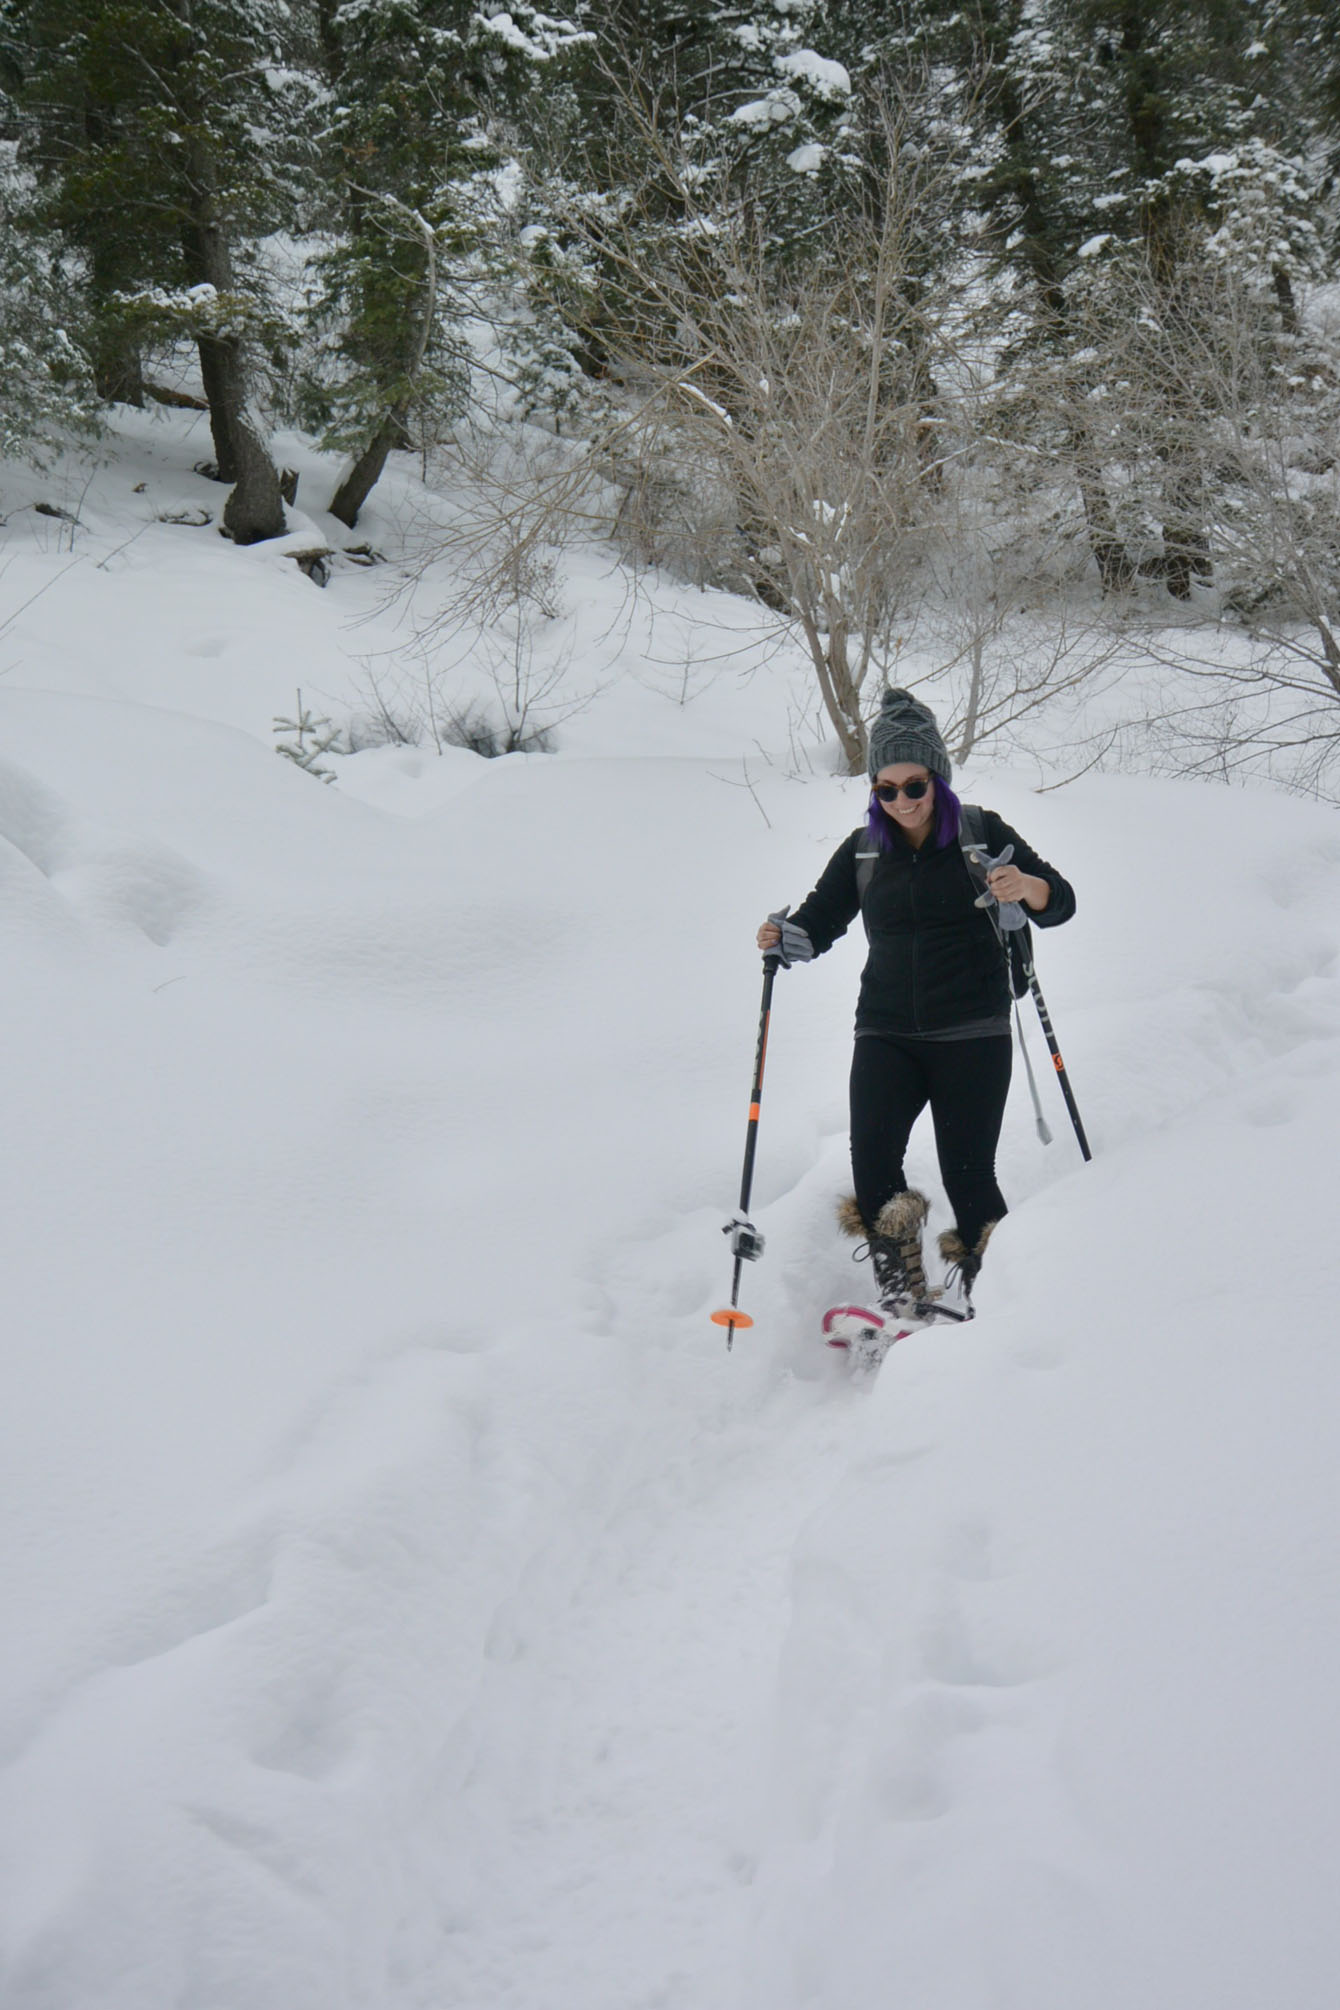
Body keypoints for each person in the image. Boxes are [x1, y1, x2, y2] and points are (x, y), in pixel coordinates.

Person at [757, 687, 1075, 1318]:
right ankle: (901, 1295)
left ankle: (998, 1297)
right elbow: (820, 922)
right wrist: (785, 939)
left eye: (915, 785)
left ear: (939, 780)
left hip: (973, 1032)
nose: (902, 800)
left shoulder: (982, 835)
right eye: (886, 788)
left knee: (967, 1174)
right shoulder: (863, 850)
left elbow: (1059, 901)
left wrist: (1026, 886)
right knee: (873, 1165)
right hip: (887, 1032)